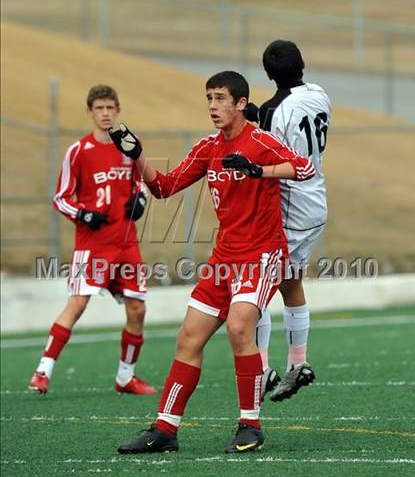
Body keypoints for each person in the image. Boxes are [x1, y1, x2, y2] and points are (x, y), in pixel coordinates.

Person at [109, 71, 315, 455]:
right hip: (224, 258)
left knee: (239, 328)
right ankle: (165, 431)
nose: (213, 106)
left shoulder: (261, 142)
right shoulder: (207, 148)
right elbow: (163, 187)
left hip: (262, 254)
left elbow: (305, 168)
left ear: (240, 103)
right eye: (209, 98)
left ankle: (250, 426)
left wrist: (259, 171)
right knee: (188, 337)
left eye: (220, 98)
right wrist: (137, 156)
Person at [29, 85, 157, 396]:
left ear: (118, 110)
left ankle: (125, 377)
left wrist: (140, 199)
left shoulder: (129, 144)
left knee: (137, 309)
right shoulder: (78, 151)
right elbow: (60, 198)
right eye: (99, 108)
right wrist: (84, 215)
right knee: (77, 304)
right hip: (93, 246)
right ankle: (42, 372)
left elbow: (141, 182)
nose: (105, 114)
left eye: (110, 108)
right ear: (90, 112)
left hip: (127, 244)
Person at [252, 40, 331, 402]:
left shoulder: (272, 110)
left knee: (254, 287)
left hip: (291, 207)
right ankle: (298, 362)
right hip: (317, 200)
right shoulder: (319, 94)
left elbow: (269, 150)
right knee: (289, 281)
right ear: (304, 63)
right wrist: (261, 116)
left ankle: (261, 369)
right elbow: (292, 125)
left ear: (267, 74)